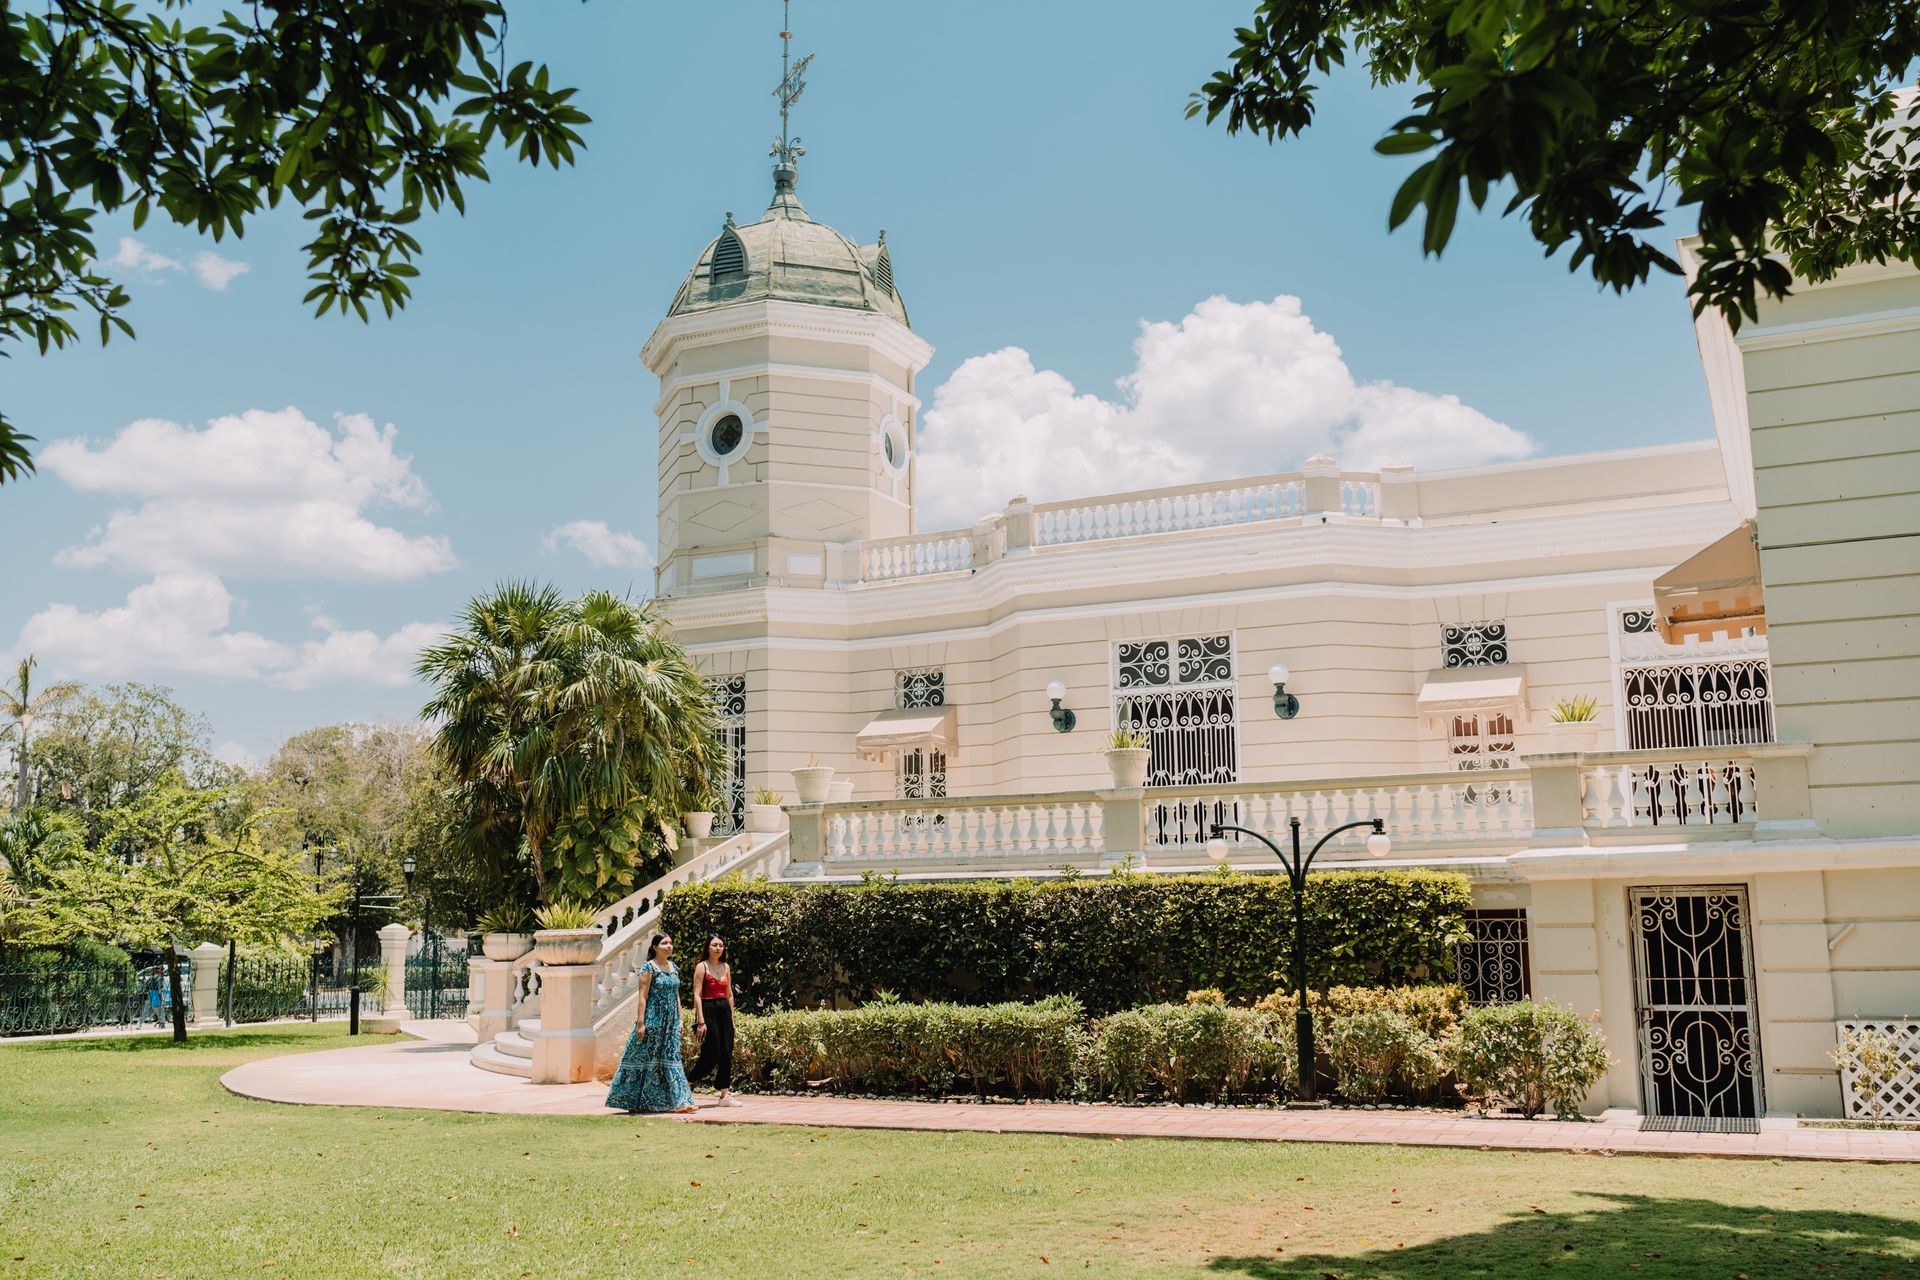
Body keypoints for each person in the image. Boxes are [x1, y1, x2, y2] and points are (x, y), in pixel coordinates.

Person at [604, 933, 696, 1114]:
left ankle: (682, 1101)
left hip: (671, 1023)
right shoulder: (649, 968)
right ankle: (640, 1101)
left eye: (670, 943)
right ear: (655, 947)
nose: (669, 946)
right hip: (653, 1020)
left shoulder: (673, 967)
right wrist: (641, 1023)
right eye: (664, 943)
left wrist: (680, 1019)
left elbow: (676, 996)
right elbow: (643, 997)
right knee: (649, 1061)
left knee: (672, 1060)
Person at [686, 936, 741, 1106]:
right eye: (714, 945)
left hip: (724, 1010)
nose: (718, 948)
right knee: (711, 1053)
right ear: (707, 947)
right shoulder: (701, 967)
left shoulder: (726, 967)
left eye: (721, 945)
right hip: (708, 1010)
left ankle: (724, 1095)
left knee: (726, 1052)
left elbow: (729, 994)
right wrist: (701, 1021)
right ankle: (685, 1085)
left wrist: (732, 1020)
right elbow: (697, 994)